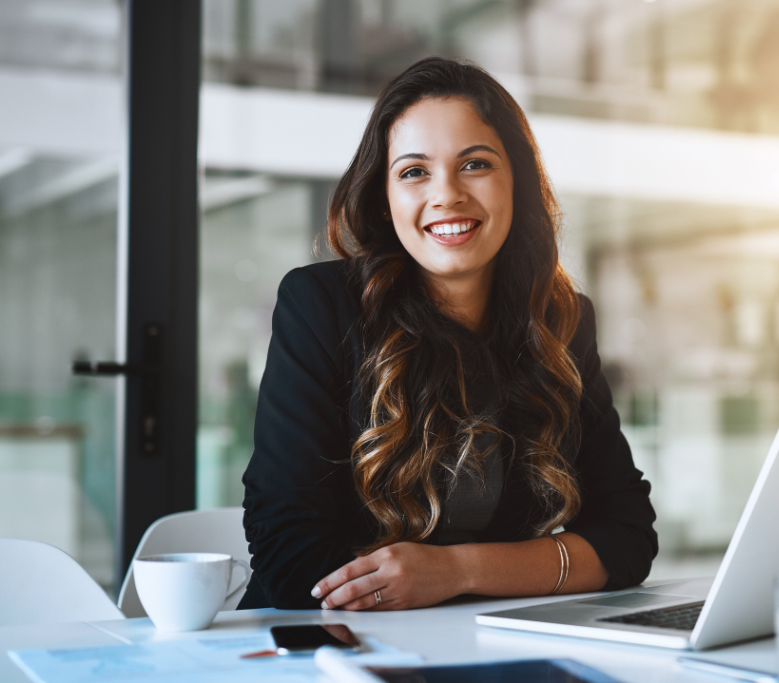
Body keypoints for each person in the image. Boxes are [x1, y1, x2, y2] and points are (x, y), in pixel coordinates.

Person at [239, 57, 657, 612]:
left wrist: (456, 570)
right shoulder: (320, 306)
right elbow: (291, 557)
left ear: (518, 183)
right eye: (414, 172)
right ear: (385, 201)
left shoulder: (561, 319)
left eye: (476, 164)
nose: (448, 195)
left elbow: (627, 537)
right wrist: (527, 569)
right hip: (329, 650)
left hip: (491, 645)